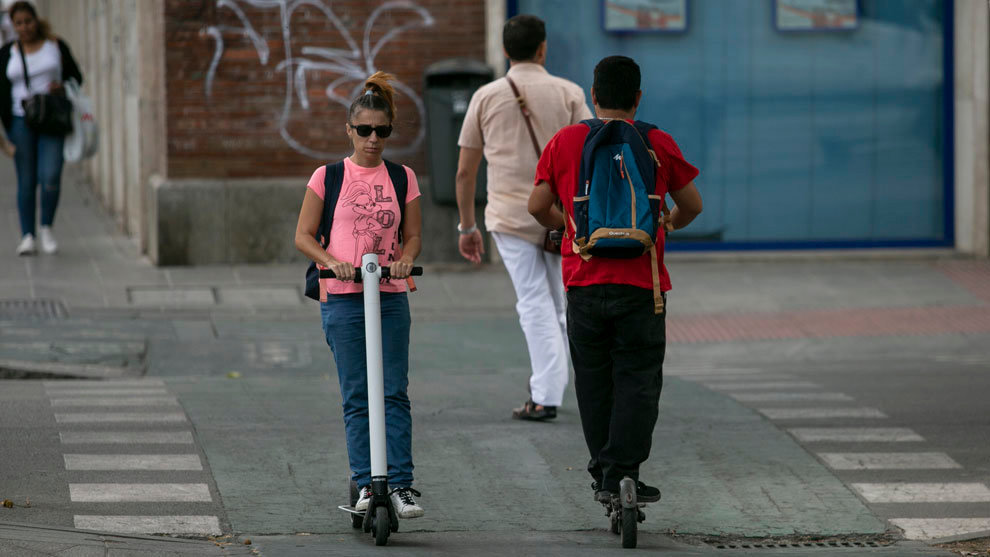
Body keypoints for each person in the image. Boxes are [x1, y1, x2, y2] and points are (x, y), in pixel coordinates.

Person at [528, 55, 703, 502]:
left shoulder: (566, 141)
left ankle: (604, 472)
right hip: (642, 288)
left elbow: (535, 206)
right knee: (639, 380)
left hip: (583, 282)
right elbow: (693, 205)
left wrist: (567, 223)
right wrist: (667, 223)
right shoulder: (657, 141)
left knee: (593, 380)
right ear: (638, 97)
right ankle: (623, 471)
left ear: (594, 95)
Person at [294, 72, 425, 519]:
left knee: (393, 393)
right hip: (344, 296)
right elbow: (303, 236)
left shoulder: (403, 177)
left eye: (382, 131)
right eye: (365, 130)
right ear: (349, 130)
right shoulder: (327, 176)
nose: (373, 139)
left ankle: (402, 485)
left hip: (388, 293)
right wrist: (332, 261)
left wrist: (406, 260)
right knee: (357, 395)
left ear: (390, 132)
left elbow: (413, 237)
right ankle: (367, 484)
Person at [455, 14, 592, 421]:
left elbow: (465, 171)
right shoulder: (568, 93)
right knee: (562, 303)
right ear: (543, 48)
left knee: (534, 302)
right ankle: (573, 387)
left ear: (504, 51)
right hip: (560, 217)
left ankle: (546, 394)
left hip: (509, 217)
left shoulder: (486, 96)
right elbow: (589, 152)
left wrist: (467, 226)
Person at [0, 1, 82, 255]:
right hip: (20, 120)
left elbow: (77, 77)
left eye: (28, 21)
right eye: (19, 23)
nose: (25, 27)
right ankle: (28, 235)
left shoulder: (55, 46)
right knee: (26, 180)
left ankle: (46, 226)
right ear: (13, 27)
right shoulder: (6, 54)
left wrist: (61, 85)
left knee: (50, 176)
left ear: (37, 20)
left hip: (52, 119)